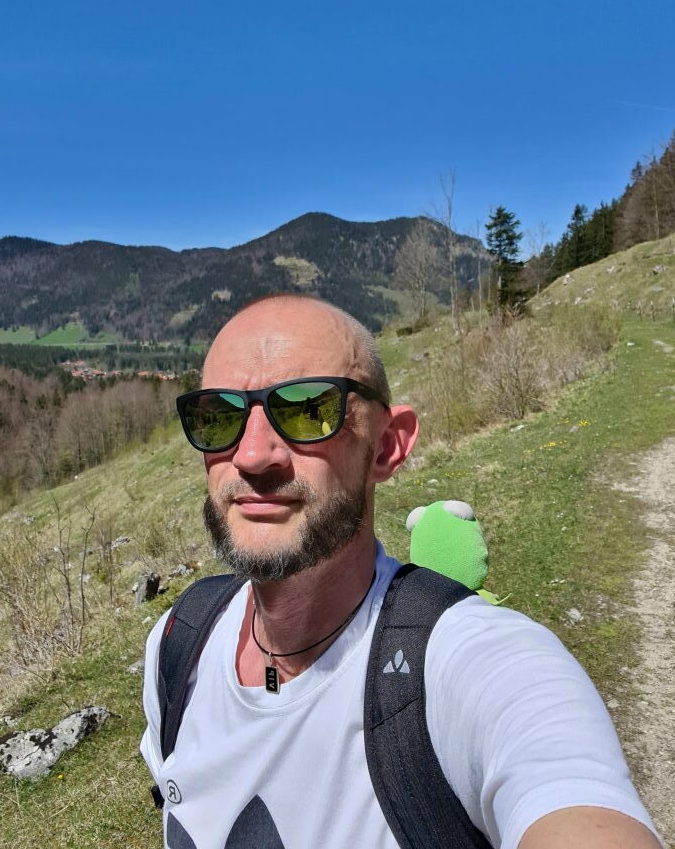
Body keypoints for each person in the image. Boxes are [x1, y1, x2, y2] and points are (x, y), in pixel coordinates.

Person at [141, 293, 661, 849]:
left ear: (388, 445)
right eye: (218, 416)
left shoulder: (473, 666)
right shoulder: (179, 642)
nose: (252, 455)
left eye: (308, 410)